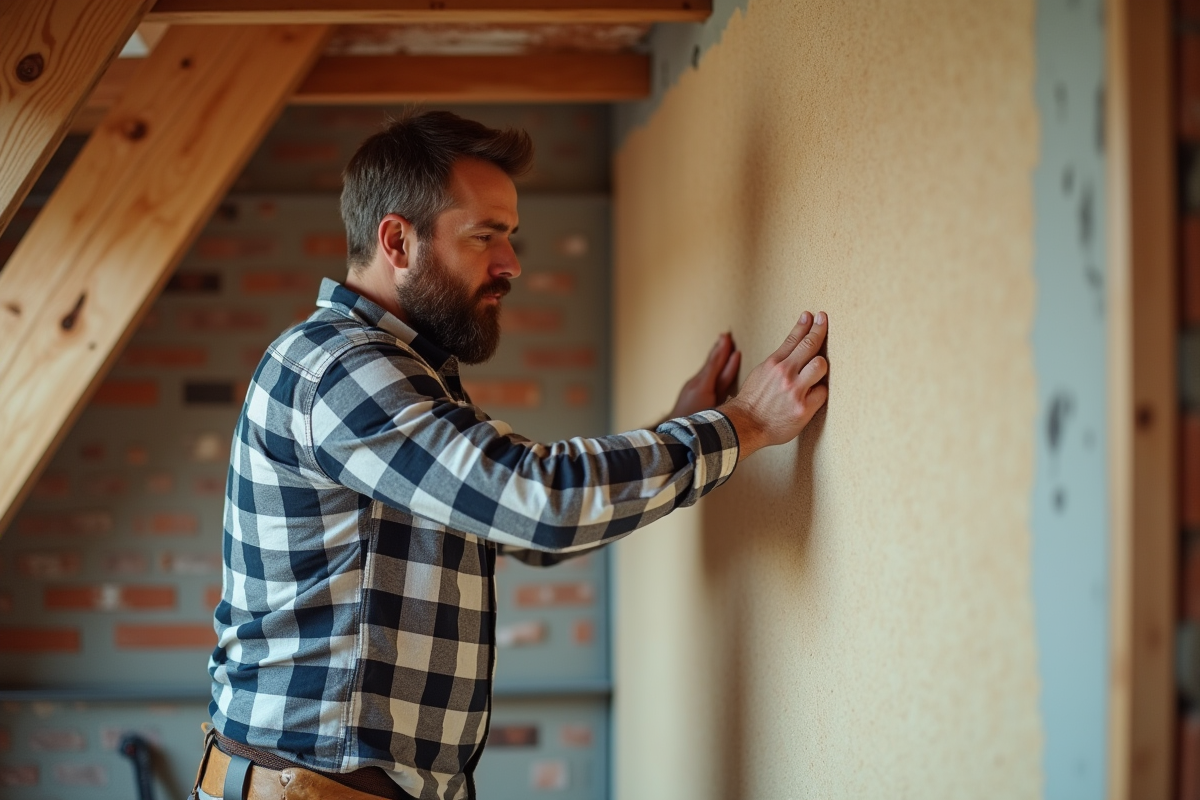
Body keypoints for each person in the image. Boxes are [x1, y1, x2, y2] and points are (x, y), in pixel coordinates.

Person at [192, 111, 828, 800]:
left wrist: (680, 428)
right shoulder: (340, 368)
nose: (511, 264)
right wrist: (743, 423)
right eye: (484, 236)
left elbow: (516, 530)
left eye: (510, 236)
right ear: (397, 241)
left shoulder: (398, 373)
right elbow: (541, 504)